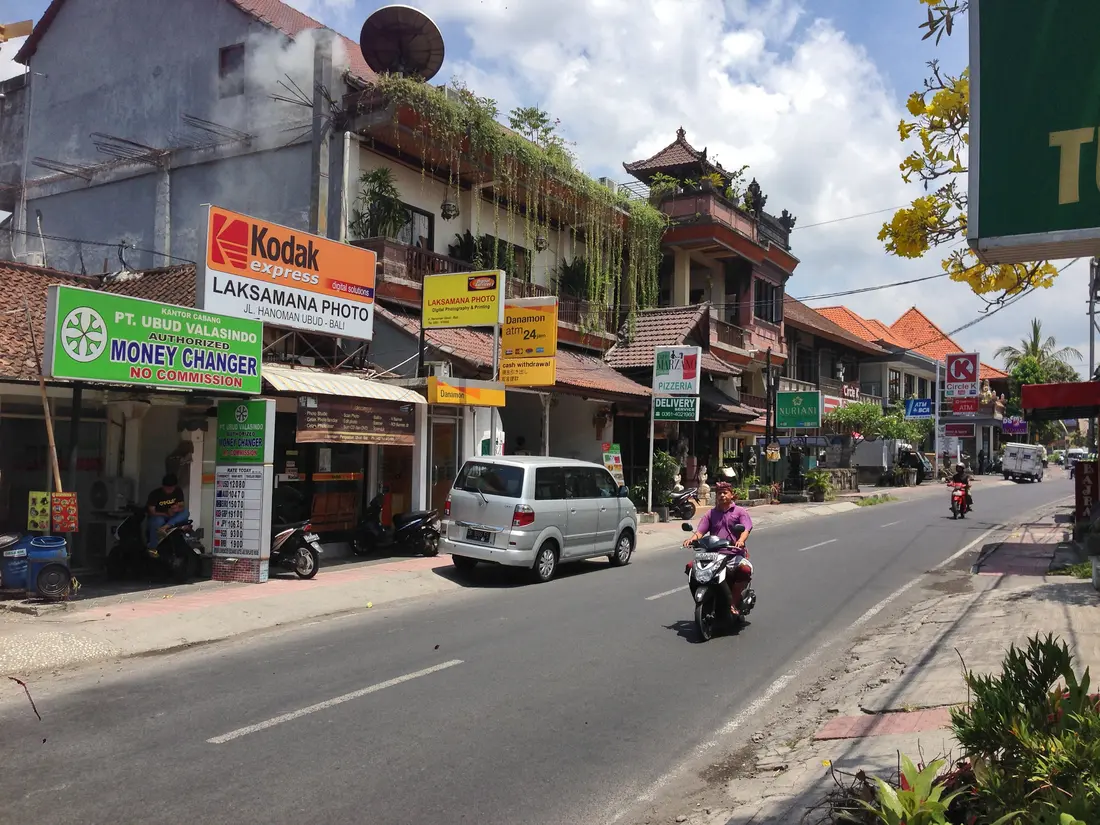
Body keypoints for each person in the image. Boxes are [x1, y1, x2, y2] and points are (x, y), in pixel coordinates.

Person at [683, 481, 754, 616]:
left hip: (733, 554)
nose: (722, 495)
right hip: (713, 555)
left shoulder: (740, 512)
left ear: (731, 495)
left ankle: (733, 602)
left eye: (725, 493)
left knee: (745, 570)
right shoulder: (711, 513)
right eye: (719, 493)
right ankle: (704, 601)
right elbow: (700, 532)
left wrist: (740, 540)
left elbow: (746, 529)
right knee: (690, 567)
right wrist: (692, 539)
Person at [145, 473, 189, 550]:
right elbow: (152, 512)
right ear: (163, 486)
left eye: (172, 489)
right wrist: (166, 513)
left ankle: (166, 527)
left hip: (173, 517)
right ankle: (153, 547)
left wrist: (177, 509)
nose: (169, 491)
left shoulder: (178, 491)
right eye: (167, 489)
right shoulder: (155, 494)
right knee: (157, 521)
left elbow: (182, 507)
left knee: (185, 512)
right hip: (160, 515)